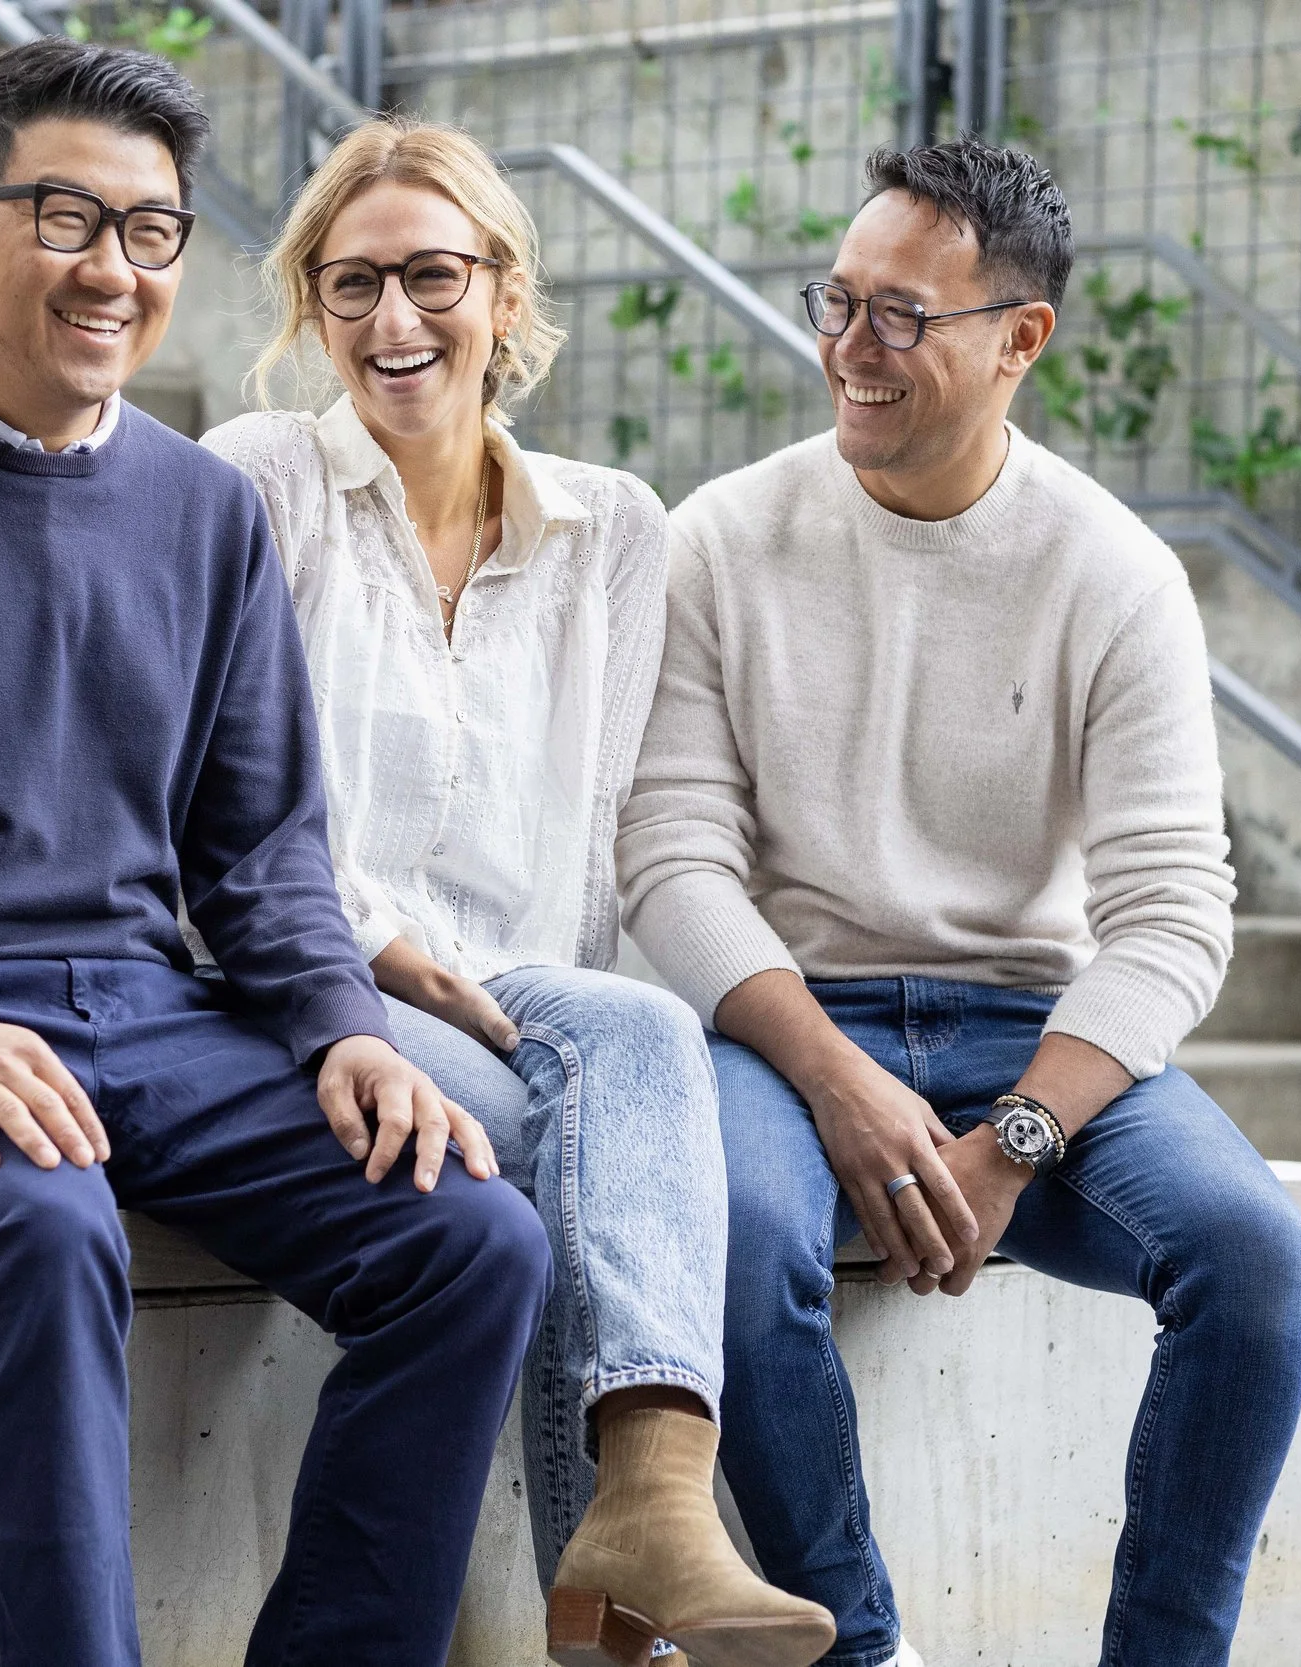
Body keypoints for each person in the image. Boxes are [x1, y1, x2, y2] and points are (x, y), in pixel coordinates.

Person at [0, 42, 551, 1667]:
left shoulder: (201, 513)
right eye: (66, 217)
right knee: (40, 1212)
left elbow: (261, 849)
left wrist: (343, 1032)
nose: (115, 267)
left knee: (469, 1235)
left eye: (152, 231)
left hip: (140, 1013)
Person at [618, 137, 1301, 1667]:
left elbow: (1173, 909)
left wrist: (1019, 1140)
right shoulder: (720, 539)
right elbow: (670, 855)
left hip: (1030, 1028)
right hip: (781, 1023)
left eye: (900, 318)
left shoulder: (1113, 573)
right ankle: (855, 1648)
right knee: (733, 1238)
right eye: (838, 303)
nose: (850, 352)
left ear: (1022, 339)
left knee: (1254, 1256)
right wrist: (838, 1079)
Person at [204, 119, 835, 1667]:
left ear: (504, 289)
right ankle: (627, 1598)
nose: (393, 323)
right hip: (316, 971)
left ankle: (642, 1535)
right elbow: (215, 789)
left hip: (525, 986)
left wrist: (539, 1017)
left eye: (432, 275)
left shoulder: (613, 523)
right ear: (308, 302)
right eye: (350, 285)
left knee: (623, 1041)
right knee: (588, 1099)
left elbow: (610, 813)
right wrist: (380, 946)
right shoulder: (262, 479)